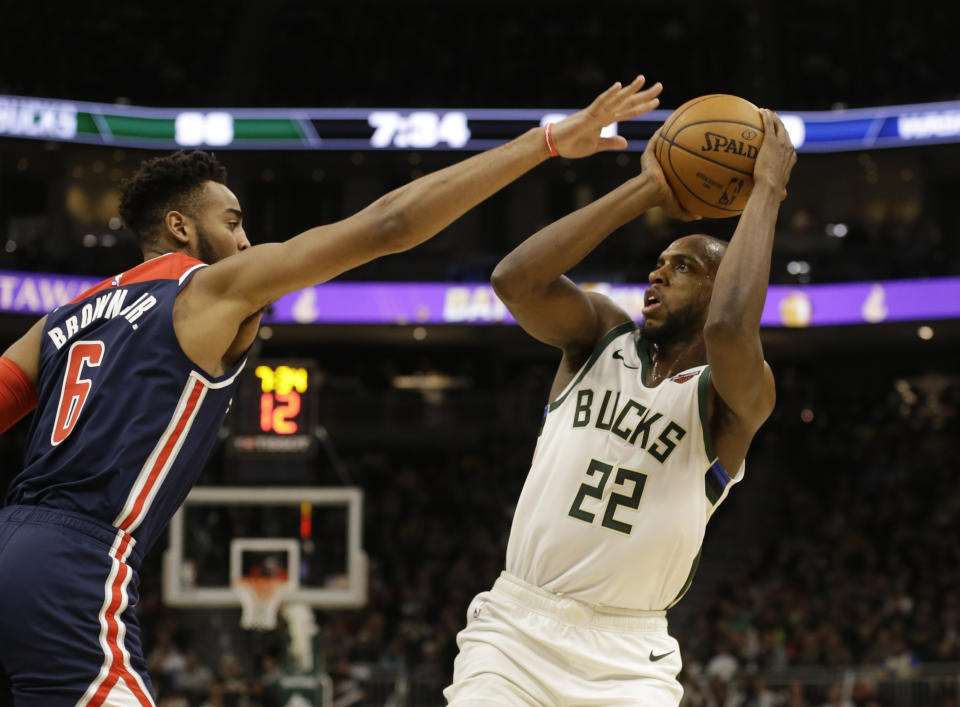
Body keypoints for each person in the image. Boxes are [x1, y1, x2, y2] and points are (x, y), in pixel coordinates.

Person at [0, 76, 662, 706]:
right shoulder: (207, 287)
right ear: (180, 227)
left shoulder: (61, 317)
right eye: (232, 223)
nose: (246, 240)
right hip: (77, 562)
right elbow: (388, 226)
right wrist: (546, 143)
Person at [444, 109, 797, 705]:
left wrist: (767, 189)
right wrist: (647, 189)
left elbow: (733, 326)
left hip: (629, 657)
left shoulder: (733, 396)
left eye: (682, 266)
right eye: (658, 262)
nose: (657, 271)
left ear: (717, 284)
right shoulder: (602, 334)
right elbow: (516, 281)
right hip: (515, 633)